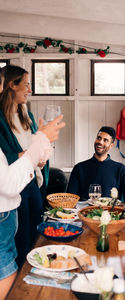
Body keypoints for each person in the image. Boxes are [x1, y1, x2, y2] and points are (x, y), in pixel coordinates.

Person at [0, 111, 65, 300]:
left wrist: (38, 152)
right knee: (11, 281)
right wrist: (40, 143)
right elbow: (9, 183)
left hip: (9, 211)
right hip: (4, 211)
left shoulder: (26, 115)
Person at [0, 64, 49, 268]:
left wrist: (43, 154)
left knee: (36, 235)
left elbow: (37, 144)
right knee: (20, 242)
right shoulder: (1, 119)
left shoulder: (25, 113)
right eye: (26, 85)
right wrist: (30, 154)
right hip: (13, 186)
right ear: (12, 85)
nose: (30, 90)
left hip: (32, 181)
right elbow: (7, 157)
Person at [67, 126, 125, 202]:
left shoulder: (121, 169)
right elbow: (70, 198)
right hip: (84, 212)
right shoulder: (79, 168)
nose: (100, 142)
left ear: (111, 145)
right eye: (99, 138)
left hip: (111, 212)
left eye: (105, 140)